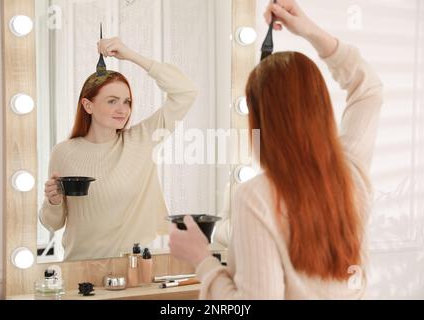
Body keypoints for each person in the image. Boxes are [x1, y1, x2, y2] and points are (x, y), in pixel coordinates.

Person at [169, 0, 383, 299]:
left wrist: (202, 260)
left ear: (260, 119)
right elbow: (368, 89)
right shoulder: (351, 173)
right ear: (320, 106)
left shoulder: (257, 198)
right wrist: (308, 30)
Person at [39, 37, 198, 261]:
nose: (122, 109)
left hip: (133, 271)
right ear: (88, 105)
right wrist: (53, 201)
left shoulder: (141, 140)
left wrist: (132, 55)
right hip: (79, 270)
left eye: (127, 102)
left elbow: (185, 92)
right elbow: (52, 223)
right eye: (112, 101)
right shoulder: (63, 152)